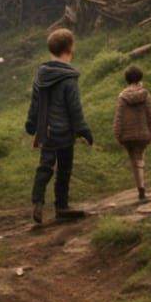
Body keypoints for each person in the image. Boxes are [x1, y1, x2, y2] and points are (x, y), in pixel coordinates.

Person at [24, 28, 93, 224]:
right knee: (64, 169)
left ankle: (37, 203)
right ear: (70, 47)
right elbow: (74, 107)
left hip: (46, 130)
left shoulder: (41, 75)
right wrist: (83, 129)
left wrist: (31, 125)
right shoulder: (68, 77)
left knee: (45, 166)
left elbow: (35, 103)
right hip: (64, 131)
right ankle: (61, 206)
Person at [113, 65, 151, 202]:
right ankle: (142, 192)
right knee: (139, 158)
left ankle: (141, 190)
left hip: (127, 136)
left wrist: (117, 133)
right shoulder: (145, 94)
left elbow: (119, 116)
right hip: (143, 134)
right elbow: (150, 114)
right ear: (140, 77)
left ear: (126, 79)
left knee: (134, 159)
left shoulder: (122, 96)